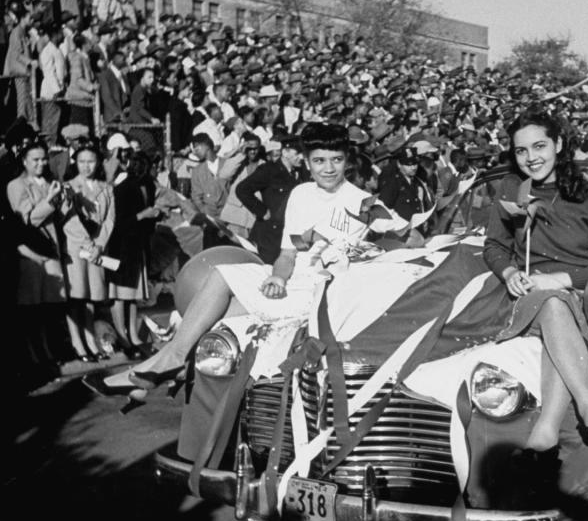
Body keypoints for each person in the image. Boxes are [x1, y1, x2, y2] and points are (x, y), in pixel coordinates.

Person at [108, 124, 397, 389]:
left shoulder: (363, 202)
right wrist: (277, 277)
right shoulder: (301, 194)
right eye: (319, 161)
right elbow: (287, 254)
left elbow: (410, 237)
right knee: (222, 279)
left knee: (219, 313)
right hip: (292, 281)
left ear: (347, 160)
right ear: (308, 162)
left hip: (324, 291)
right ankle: (167, 364)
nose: (328, 168)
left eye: (336, 159)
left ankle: (162, 367)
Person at [483, 109, 588, 470]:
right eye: (520, 151)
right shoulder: (511, 190)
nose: (531, 158)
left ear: (559, 144)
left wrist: (561, 280)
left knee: (555, 305)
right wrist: (510, 270)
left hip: (577, 295)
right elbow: (494, 246)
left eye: (540, 146)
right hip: (526, 296)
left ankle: (547, 429)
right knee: (550, 305)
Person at [6, 140, 70, 367]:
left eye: (44, 159)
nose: (41, 163)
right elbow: (28, 219)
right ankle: (34, 353)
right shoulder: (16, 185)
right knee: (32, 305)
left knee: (51, 304)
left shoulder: (49, 182)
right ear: (24, 161)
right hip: (31, 250)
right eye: (36, 159)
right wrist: (51, 201)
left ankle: (48, 349)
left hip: (51, 247)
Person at [106, 151, 162, 358]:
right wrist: (143, 215)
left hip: (138, 245)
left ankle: (133, 335)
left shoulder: (148, 186)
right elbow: (119, 222)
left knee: (133, 294)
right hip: (121, 246)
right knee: (120, 294)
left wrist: (153, 216)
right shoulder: (124, 189)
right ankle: (122, 335)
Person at [62, 145, 115, 361]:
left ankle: (91, 339)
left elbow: (110, 219)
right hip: (76, 248)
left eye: (91, 161)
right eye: (82, 161)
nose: (86, 166)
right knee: (77, 296)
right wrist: (87, 244)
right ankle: (78, 343)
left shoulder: (106, 188)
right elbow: (69, 220)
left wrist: (99, 245)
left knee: (93, 297)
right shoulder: (69, 187)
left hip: (96, 249)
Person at [236, 134, 306, 264]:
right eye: (298, 153)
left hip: (290, 235)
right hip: (269, 237)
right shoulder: (269, 170)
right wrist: (262, 211)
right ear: (285, 152)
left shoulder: (300, 173)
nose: (302, 157)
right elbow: (242, 189)